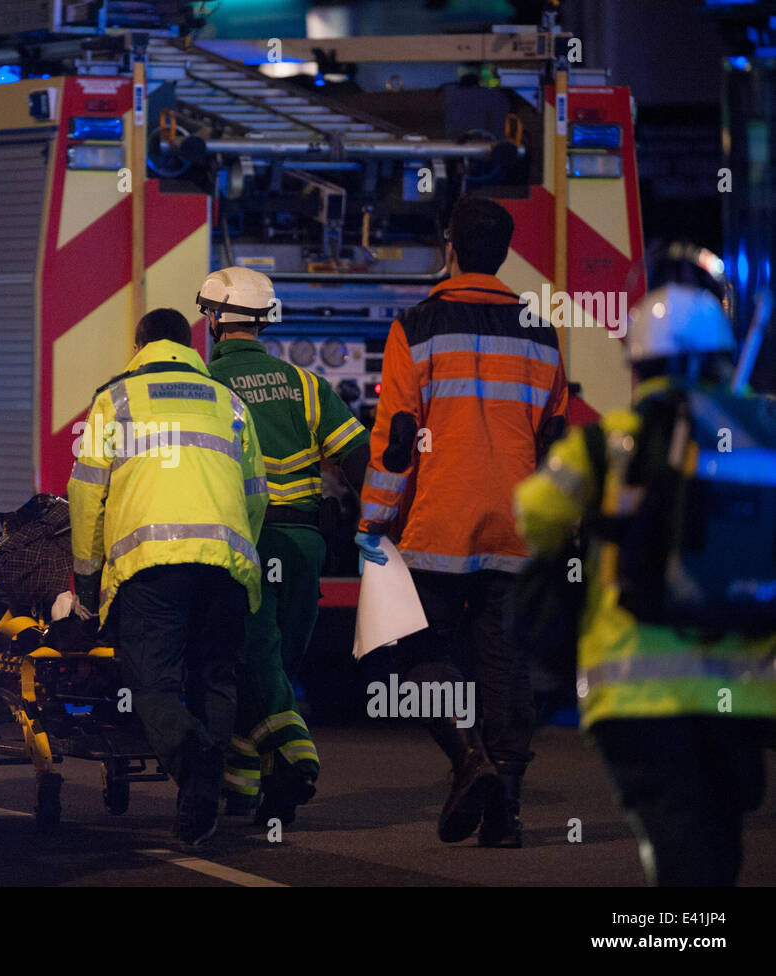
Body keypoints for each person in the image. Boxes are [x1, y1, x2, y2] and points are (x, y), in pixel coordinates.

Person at [516, 273, 776, 885]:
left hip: (634, 693)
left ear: (638, 363)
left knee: (678, 844)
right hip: (746, 693)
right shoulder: (761, 435)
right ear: (720, 357)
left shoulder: (609, 444)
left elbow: (535, 514)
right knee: (717, 844)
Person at [355, 196, 569, 846]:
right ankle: (505, 814)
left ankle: (466, 757)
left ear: (450, 247)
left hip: (436, 529)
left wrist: (373, 523)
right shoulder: (541, 330)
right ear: (503, 254)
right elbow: (556, 443)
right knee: (506, 663)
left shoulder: (417, 325)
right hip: (518, 526)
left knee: (411, 648)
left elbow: (396, 440)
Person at [68, 307, 268, 845]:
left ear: (138, 347)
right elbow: (256, 495)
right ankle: (198, 798)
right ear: (190, 347)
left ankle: (193, 763)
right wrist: (240, 558)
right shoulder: (229, 403)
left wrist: (86, 577)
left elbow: (86, 493)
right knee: (215, 679)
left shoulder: (117, 399)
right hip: (225, 562)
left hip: (150, 566)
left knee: (152, 682)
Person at [199, 266, 370, 825]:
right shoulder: (306, 385)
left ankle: (296, 760)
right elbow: (357, 456)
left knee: (253, 661)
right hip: (305, 544)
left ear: (214, 321)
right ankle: (247, 787)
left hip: (244, 542)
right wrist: (380, 519)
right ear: (266, 321)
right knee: (275, 659)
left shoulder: (205, 386)